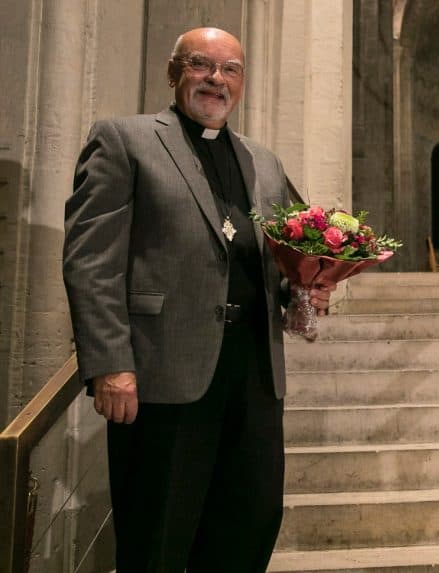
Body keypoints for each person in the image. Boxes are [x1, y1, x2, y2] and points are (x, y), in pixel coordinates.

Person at [62, 27, 337, 571]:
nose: (216, 79)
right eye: (201, 65)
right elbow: (91, 262)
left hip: (254, 380)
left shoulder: (264, 161)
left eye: (230, 69)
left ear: (242, 83)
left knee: (250, 527)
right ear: (173, 73)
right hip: (164, 378)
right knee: (157, 540)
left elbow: (289, 255)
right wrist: (110, 364)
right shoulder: (125, 140)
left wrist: (310, 285)